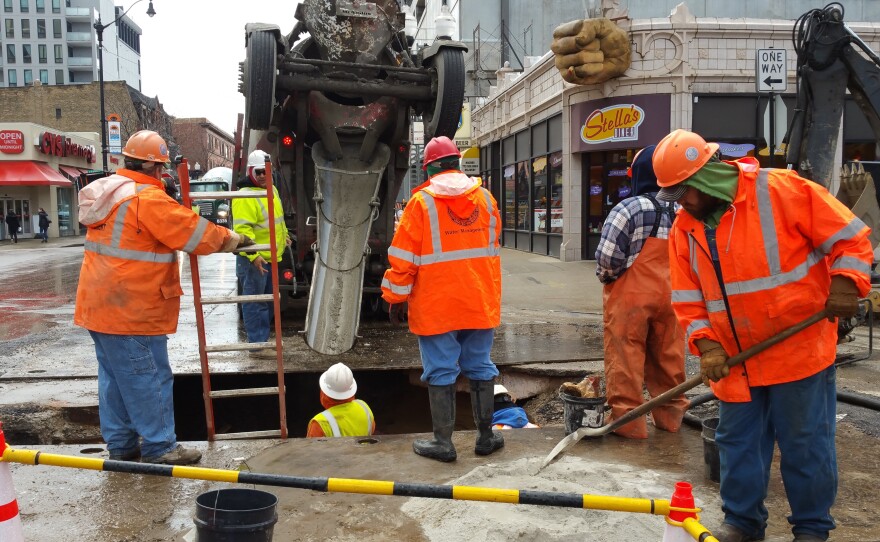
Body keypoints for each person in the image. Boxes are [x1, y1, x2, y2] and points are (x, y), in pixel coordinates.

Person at [654, 129, 873, 542]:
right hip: (736, 364)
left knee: (805, 445)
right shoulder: (685, 229)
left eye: (685, 192)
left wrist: (846, 283)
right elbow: (687, 299)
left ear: (707, 177)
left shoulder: (783, 191)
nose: (682, 203)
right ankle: (742, 523)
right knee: (738, 444)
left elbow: (852, 238)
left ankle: (811, 529)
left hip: (797, 351)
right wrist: (707, 345)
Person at [74, 130, 254, 465]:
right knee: (149, 377)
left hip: (98, 306)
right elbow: (195, 234)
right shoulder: (147, 199)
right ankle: (160, 447)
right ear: (155, 167)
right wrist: (234, 239)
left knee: (115, 379)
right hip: (133, 307)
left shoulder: (109, 191)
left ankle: (122, 446)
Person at [382, 135, 504, 463]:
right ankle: (486, 437)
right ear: (457, 163)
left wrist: (394, 297)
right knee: (479, 364)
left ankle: (443, 442)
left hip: (436, 304)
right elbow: (492, 246)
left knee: (440, 370)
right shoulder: (486, 199)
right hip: (478, 300)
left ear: (429, 169)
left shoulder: (420, 205)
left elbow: (403, 259)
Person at [594, 144, 686, 439]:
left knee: (625, 358)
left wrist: (610, 279)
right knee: (669, 359)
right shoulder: (683, 209)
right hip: (673, 297)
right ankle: (671, 419)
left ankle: (629, 424)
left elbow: (607, 260)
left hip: (631, 299)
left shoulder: (628, 208)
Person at [232, 150, 290, 360]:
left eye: (267, 171)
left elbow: (277, 219)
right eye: (259, 172)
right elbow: (242, 231)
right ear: (250, 172)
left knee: (266, 301)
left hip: (268, 257)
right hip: (254, 260)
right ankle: (257, 347)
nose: (264, 175)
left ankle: (261, 341)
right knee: (255, 303)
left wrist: (285, 236)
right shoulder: (245, 196)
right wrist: (254, 255)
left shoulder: (271, 190)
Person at [306, 363, 376, 438]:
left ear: (324, 392)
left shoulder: (319, 424)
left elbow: (311, 445)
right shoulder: (364, 407)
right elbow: (371, 431)